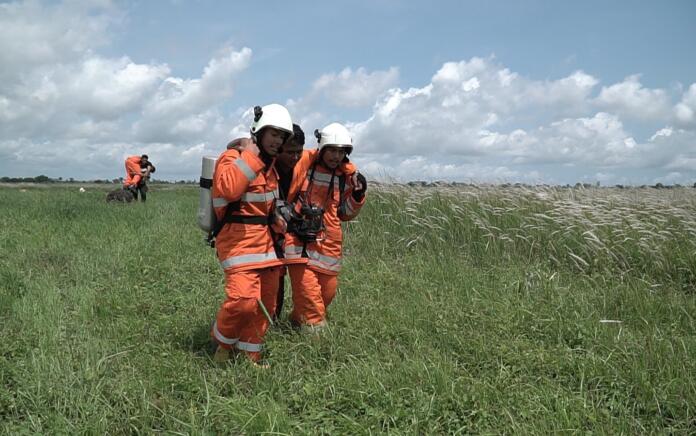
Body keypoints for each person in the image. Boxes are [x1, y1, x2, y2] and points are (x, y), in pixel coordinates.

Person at [210, 103, 293, 365]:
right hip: (237, 243)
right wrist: (250, 154)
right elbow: (229, 190)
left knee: (263, 307)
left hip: (267, 246)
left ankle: (250, 357)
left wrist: (278, 219)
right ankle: (223, 345)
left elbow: (268, 205)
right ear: (259, 130)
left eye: (282, 136)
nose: (277, 141)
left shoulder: (270, 168)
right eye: (274, 134)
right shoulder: (233, 157)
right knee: (243, 301)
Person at [284, 122, 367, 330]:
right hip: (298, 241)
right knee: (310, 299)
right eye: (331, 150)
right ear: (322, 148)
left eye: (341, 152)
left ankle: (295, 321)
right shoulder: (304, 164)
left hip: (327, 246)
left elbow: (345, 214)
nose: (335, 156)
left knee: (326, 294)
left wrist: (358, 195)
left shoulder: (346, 178)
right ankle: (317, 342)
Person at [227, 124, 306, 320]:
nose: (295, 157)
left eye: (299, 152)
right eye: (289, 152)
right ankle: (253, 322)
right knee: (257, 284)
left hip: (280, 231)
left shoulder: (302, 162)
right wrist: (244, 145)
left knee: (276, 277)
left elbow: (326, 153)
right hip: (256, 233)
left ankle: (270, 322)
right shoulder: (262, 164)